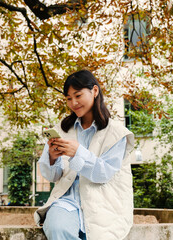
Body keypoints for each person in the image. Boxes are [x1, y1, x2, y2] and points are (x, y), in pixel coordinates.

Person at [34, 69, 135, 240]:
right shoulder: (62, 129)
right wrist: (52, 157)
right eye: (68, 98)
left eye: (78, 95)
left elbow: (104, 174)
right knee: (58, 228)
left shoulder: (117, 133)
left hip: (104, 203)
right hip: (67, 201)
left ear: (94, 91)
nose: (73, 103)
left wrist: (78, 152)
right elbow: (53, 176)